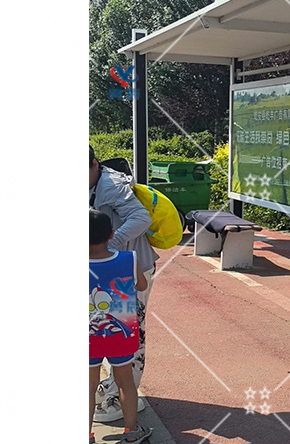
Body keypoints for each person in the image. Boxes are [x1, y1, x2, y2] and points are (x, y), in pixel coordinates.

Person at [90, 146, 158, 421]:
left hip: (129, 268)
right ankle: (113, 386)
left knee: (130, 332)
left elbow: (141, 218)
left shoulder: (112, 185)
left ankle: (123, 396)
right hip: (107, 268)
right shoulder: (92, 183)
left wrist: (109, 246)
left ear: (94, 164)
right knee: (104, 328)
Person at [90, 209, 153, 444]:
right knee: (125, 381)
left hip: (89, 336)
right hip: (121, 333)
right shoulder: (129, 259)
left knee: (88, 384)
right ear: (112, 234)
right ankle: (131, 432)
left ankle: (87, 435)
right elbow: (142, 285)